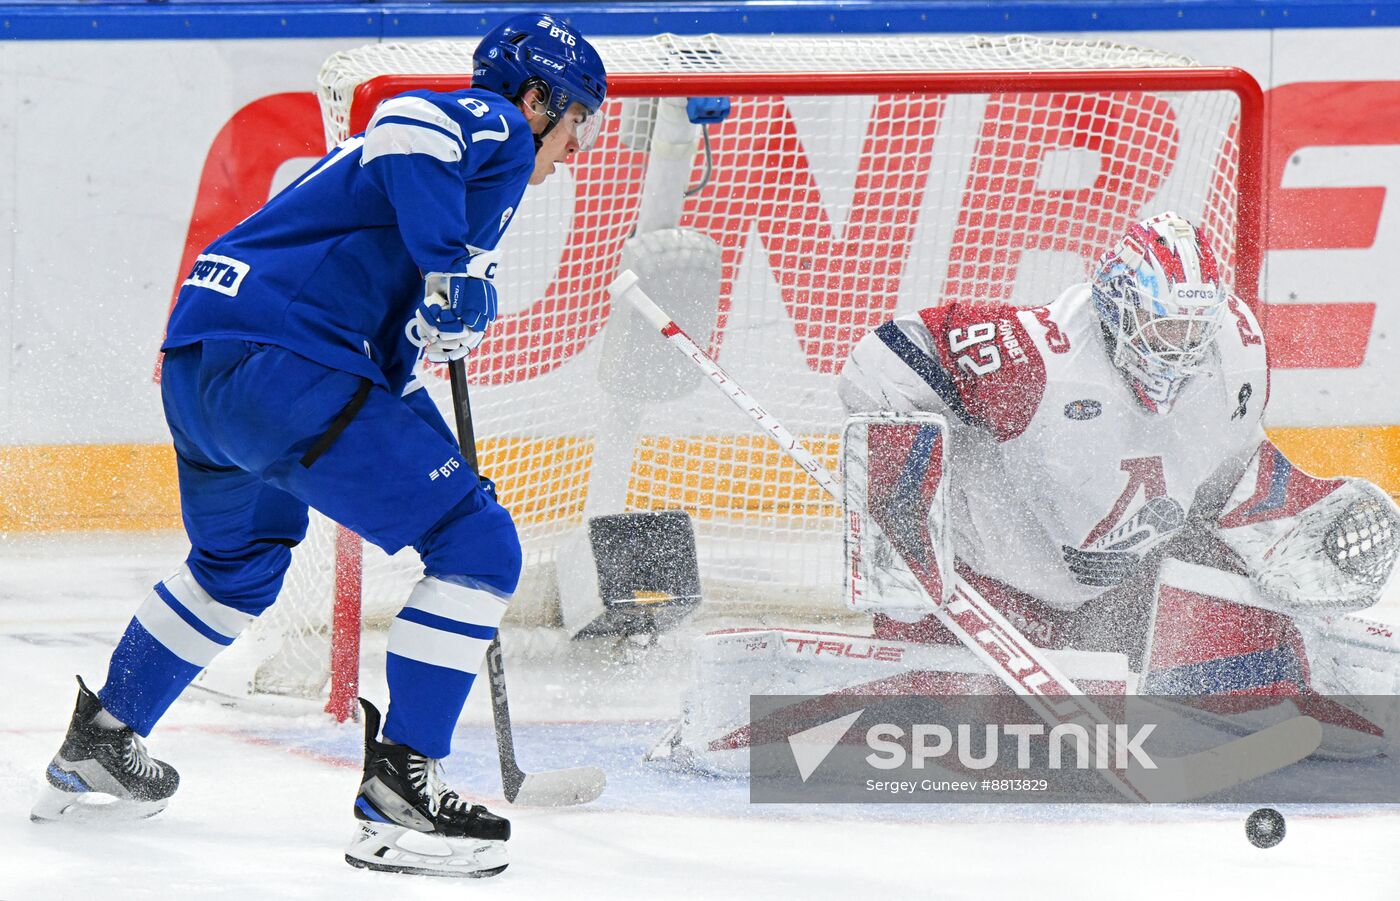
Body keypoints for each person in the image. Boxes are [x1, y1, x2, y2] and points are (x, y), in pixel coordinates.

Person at [32, 12, 607, 878]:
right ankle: (401, 800)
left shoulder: (438, 192)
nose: (578, 150)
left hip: (204, 358)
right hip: (284, 365)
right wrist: (452, 266)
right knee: (479, 545)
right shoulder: (495, 132)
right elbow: (410, 118)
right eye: (578, 123)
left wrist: (435, 313)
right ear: (537, 100)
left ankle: (102, 740)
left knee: (240, 566)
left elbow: (386, 358)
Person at [661, 211, 1400, 772]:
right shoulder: (1033, 357)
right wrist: (905, 508)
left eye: (1190, 332)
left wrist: (1284, 507)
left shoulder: (1235, 352)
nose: (1176, 353)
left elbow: (1225, 467)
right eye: (1160, 327)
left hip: (1118, 601)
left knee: (1238, 669)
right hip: (990, 592)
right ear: (1115, 303)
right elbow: (873, 365)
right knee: (931, 743)